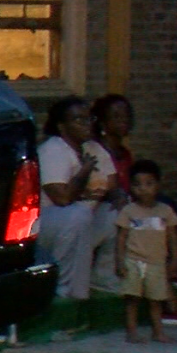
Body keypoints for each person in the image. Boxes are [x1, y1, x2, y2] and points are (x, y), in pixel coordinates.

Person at [91, 93, 177, 327]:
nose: (123, 121)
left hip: (132, 208)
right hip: (107, 215)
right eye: (116, 117)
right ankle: (169, 302)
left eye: (127, 116)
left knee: (166, 209)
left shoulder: (124, 153)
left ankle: (172, 272)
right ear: (103, 122)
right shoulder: (97, 151)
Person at [36, 96, 117, 300]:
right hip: (46, 226)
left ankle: (103, 279)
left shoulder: (93, 148)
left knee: (118, 214)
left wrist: (121, 196)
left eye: (89, 119)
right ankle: (60, 289)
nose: (87, 124)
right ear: (62, 127)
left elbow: (113, 184)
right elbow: (62, 199)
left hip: (81, 222)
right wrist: (85, 171)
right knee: (78, 215)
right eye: (78, 120)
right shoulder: (53, 150)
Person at [115, 159, 177, 344]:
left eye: (149, 183)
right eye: (137, 184)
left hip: (157, 262)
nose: (143, 189)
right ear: (131, 187)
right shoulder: (129, 211)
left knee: (156, 300)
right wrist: (120, 261)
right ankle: (132, 332)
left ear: (158, 185)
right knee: (132, 299)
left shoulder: (165, 211)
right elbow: (121, 238)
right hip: (133, 261)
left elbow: (172, 237)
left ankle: (158, 332)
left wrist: (175, 258)